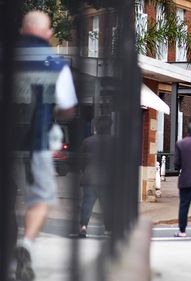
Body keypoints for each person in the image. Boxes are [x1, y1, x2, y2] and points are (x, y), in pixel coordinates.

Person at [14, 11, 77, 281]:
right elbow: (68, 108)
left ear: (21, 30)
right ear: (47, 32)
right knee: (39, 199)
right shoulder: (56, 63)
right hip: (35, 143)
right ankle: (26, 244)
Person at [78, 116, 113, 238]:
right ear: (110, 127)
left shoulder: (87, 141)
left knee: (87, 204)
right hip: (107, 179)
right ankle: (108, 229)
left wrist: (84, 170)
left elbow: (81, 161)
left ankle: (83, 226)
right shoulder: (114, 141)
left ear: (96, 127)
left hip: (90, 177)